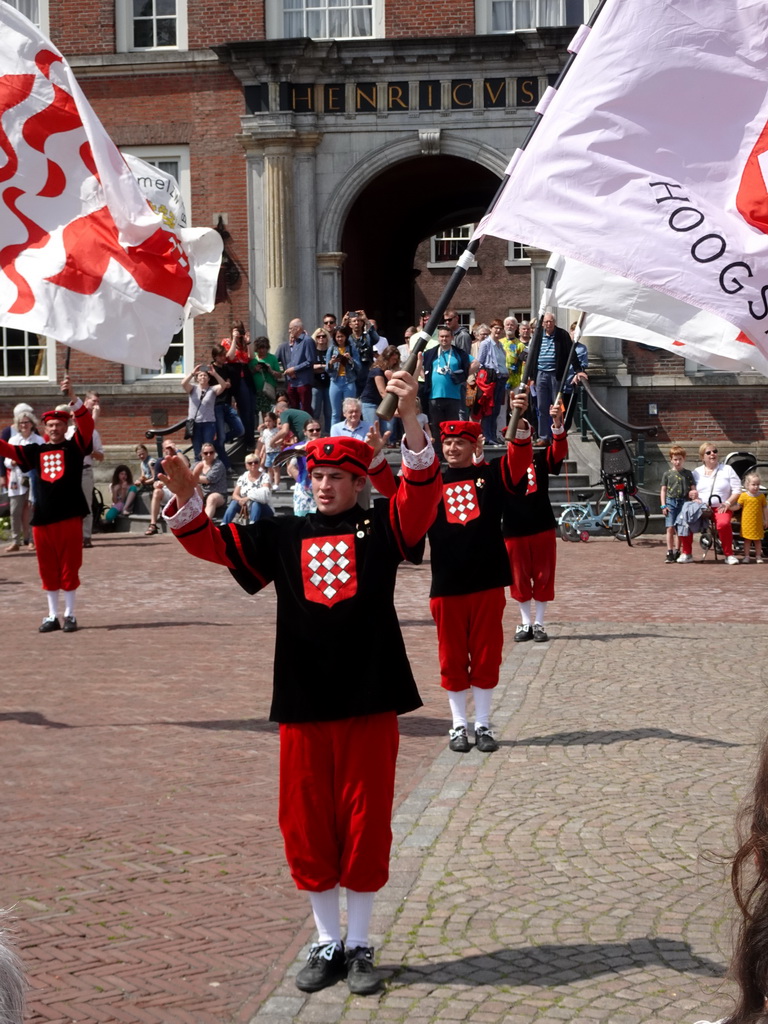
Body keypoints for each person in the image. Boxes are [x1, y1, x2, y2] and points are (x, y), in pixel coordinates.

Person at [160, 365, 441, 997]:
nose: (324, 485)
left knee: (366, 819)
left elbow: (420, 498)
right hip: (304, 697)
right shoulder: (285, 532)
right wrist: (183, 499)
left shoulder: (380, 531)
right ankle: (326, 940)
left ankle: (362, 942)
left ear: (357, 482)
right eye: (316, 476)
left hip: (370, 694)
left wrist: (413, 414)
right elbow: (216, 545)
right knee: (306, 819)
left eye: (336, 477)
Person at [370, 393, 532, 755]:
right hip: (446, 584)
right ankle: (459, 725)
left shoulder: (491, 477)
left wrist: (520, 426)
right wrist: (376, 458)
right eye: (448, 442)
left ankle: (484, 724)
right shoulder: (431, 483)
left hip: (488, 581)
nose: (453, 448)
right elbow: (396, 492)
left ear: (476, 446)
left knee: (487, 654)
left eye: (461, 442)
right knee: (452, 656)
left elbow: (518, 461)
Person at [0, 377, 93, 633]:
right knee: (47, 568)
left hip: (70, 516)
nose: (54, 428)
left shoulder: (75, 449)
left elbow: (86, 425)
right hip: (43, 518)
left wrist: (73, 398)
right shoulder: (35, 452)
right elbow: (7, 451)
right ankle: (52, 615)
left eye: (58, 425)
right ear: (45, 428)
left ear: (65, 427)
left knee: (70, 565)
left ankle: (70, 614)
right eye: (50, 425)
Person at [503, 402, 568, 644]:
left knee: (543, 575)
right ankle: (525, 622)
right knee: (518, 578)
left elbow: (559, 451)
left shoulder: (540, 459)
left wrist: (558, 425)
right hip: (514, 528)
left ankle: (539, 622)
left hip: (541, 525)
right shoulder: (501, 465)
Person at [534, 313, 584, 444]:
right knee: (542, 406)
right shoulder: (538, 335)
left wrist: (579, 370)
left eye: (550, 322)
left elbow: (571, 352)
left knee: (557, 406)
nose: (548, 324)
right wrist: (531, 376)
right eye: (546, 322)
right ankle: (544, 437)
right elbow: (533, 354)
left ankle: (557, 435)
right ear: (543, 323)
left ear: (554, 322)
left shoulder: (562, 334)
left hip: (556, 375)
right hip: (541, 374)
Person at [423, 327, 471, 459]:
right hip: (434, 395)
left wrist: (463, 376)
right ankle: (438, 455)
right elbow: (419, 365)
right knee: (436, 428)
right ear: (438, 338)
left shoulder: (459, 353)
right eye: (442, 336)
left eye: (447, 336)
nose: (444, 339)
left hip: (453, 396)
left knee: (452, 428)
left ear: (452, 338)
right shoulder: (430, 353)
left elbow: (475, 363)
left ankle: (452, 453)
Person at [692, 443, 742, 565]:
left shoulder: (727, 469)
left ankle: (728, 554)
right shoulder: (696, 472)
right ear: (702, 457)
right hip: (701, 507)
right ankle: (686, 553)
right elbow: (691, 489)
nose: (712, 454)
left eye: (714, 451)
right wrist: (694, 497)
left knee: (724, 524)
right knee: (686, 520)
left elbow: (737, 489)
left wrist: (728, 502)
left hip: (721, 507)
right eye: (708, 453)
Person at [3, 408, 44, 552]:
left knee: (33, 510)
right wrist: (13, 462)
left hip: (33, 479)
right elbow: (6, 461)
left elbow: (42, 460)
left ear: (32, 424)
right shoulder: (13, 440)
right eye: (21, 423)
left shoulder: (39, 440)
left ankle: (32, 540)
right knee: (15, 511)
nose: (24, 425)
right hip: (17, 479)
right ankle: (16, 541)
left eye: (26, 422)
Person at [70, 391, 104, 549]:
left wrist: (89, 451)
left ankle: (86, 536)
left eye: (98, 402)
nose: (96, 405)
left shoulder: (94, 432)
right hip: (69, 471)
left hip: (85, 470)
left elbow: (101, 456)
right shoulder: (67, 432)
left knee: (86, 504)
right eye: (94, 401)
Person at [145, 440, 190, 535]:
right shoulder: (160, 462)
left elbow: (186, 466)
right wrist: (157, 485)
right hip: (167, 489)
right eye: (167, 448)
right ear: (163, 450)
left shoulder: (179, 459)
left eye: (171, 447)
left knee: (178, 491)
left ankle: (180, 523)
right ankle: (153, 524)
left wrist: (177, 451)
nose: (169, 449)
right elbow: (156, 480)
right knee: (157, 492)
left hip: (179, 490)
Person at [210, 344, 245, 469]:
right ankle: (226, 465)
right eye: (221, 355)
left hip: (227, 403)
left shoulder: (226, 368)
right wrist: (224, 383)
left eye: (224, 355)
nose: (224, 357)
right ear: (215, 357)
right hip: (216, 405)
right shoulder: (210, 370)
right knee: (221, 437)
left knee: (240, 429)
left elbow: (229, 383)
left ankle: (215, 444)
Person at [222, 321, 256, 447]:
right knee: (226, 406)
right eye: (236, 330)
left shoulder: (244, 343)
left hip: (244, 374)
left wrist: (248, 342)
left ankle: (248, 438)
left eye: (240, 330)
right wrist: (234, 340)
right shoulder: (226, 341)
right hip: (231, 372)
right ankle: (229, 436)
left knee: (247, 409)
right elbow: (229, 357)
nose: (238, 332)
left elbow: (251, 357)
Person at [660, 445, 696, 563]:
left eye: (680, 459)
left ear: (684, 459)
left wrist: (693, 497)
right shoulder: (667, 474)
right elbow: (663, 490)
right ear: (671, 460)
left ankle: (677, 550)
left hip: (684, 502)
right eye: (675, 459)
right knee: (670, 527)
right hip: (671, 502)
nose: (677, 462)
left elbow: (693, 488)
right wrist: (663, 505)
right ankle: (669, 551)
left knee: (680, 528)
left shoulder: (688, 473)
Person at [182, 365, 224, 462]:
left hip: (208, 423)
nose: (203, 377)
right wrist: (192, 373)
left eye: (205, 375)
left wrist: (215, 374)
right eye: (200, 375)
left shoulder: (212, 389)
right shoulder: (192, 389)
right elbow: (183, 383)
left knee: (208, 449)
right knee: (197, 449)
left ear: (209, 378)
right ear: (197, 378)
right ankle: (198, 470)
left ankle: (208, 469)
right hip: (195, 424)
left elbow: (223, 385)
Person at [476, 319, 509, 444]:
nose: (498, 331)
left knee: (496, 410)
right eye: (496, 328)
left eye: (500, 328)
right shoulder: (486, 344)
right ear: (491, 328)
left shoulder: (500, 345)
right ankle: (487, 436)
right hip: (491, 380)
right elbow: (480, 362)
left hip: (501, 379)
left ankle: (493, 436)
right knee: (488, 409)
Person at [276, 318, 317, 413]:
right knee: (293, 408)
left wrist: (294, 369)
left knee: (305, 408)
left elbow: (310, 360)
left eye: (291, 328)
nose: (289, 331)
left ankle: (307, 427)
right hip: (292, 380)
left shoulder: (307, 341)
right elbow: (293, 360)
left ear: (298, 328)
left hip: (303, 381)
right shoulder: (295, 342)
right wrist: (291, 371)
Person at [360, 346, 401, 436]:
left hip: (382, 402)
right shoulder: (377, 370)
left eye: (396, 360)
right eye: (393, 359)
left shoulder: (389, 370)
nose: (395, 362)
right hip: (370, 403)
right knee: (373, 429)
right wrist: (394, 409)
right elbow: (382, 392)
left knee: (388, 428)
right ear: (387, 358)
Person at [222, 453, 274, 524]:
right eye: (250, 463)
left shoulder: (265, 476)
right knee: (234, 503)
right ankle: (224, 524)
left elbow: (265, 491)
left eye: (255, 462)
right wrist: (241, 500)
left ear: (259, 464)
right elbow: (235, 495)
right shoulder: (243, 477)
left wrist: (248, 498)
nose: (253, 464)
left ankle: (252, 524)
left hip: (264, 508)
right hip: (246, 507)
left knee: (256, 502)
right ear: (246, 465)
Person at [327, 326, 362, 424]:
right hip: (335, 381)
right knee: (335, 413)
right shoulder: (331, 349)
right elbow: (327, 369)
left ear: (346, 337)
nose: (340, 339)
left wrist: (350, 358)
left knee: (350, 411)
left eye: (342, 336)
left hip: (349, 381)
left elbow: (359, 367)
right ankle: (334, 436)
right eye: (337, 337)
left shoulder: (351, 348)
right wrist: (331, 362)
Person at [249, 336, 283, 422]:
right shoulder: (253, 358)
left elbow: (279, 375)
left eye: (264, 348)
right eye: (260, 348)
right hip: (254, 390)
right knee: (253, 413)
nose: (262, 350)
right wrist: (255, 369)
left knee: (267, 414)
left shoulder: (272, 358)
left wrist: (270, 370)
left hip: (268, 391)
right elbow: (247, 374)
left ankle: (267, 431)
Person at [737, 471, 767, 563]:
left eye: (757, 484)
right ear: (747, 485)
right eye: (753, 484)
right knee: (747, 540)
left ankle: (758, 556)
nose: (756, 487)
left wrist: (766, 520)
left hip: (757, 522)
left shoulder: (761, 496)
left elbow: (765, 508)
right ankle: (746, 556)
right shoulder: (744, 496)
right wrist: (728, 507)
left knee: (758, 540)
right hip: (747, 522)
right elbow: (738, 506)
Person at [674, 484, 708, 563]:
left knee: (686, 526)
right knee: (683, 525)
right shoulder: (696, 473)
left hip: (705, 508)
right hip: (688, 506)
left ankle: (687, 553)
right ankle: (686, 553)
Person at [192, 444, 228, 519]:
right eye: (206, 453)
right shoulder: (197, 465)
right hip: (202, 494)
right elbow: (187, 475)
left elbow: (208, 479)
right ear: (201, 454)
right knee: (193, 487)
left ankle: (205, 522)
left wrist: (192, 477)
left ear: (214, 453)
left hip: (219, 494)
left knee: (211, 498)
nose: (209, 455)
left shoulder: (218, 465)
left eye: (211, 452)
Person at [310, 328, 332, 433]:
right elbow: (310, 367)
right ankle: (315, 433)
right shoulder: (312, 352)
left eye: (324, 336)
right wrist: (325, 366)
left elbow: (333, 367)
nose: (321, 338)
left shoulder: (331, 351)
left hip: (329, 384)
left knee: (329, 412)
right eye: (319, 336)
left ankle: (328, 433)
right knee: (315, 412)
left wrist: (320, 367)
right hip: (316, 385)